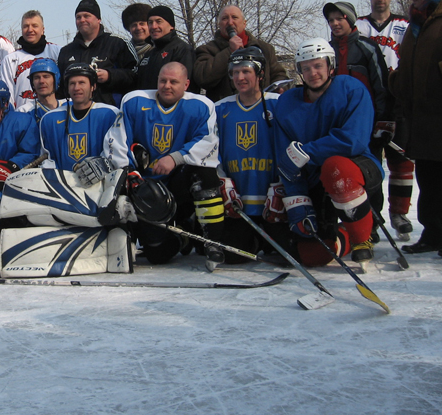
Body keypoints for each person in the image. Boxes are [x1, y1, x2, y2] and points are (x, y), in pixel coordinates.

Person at [274, 38, 382, 266]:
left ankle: (362, 237)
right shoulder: (286, 102)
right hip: (314, 179)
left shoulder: (351, 89)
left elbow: (354, 140)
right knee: (312, 255)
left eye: (318, 65)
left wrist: (308, 152)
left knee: (336, 167)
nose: (313, 73)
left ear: (330, 65)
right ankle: (345, 236)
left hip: (354, 170)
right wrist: (297, 200)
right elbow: (286, 159)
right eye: (306, 67)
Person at [121, 62, 223, 267]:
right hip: (146, 189)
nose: (167, 85)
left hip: (178, 183)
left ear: (186, 84)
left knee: (204, 172)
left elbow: (207, 142)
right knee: (157, 255)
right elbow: (119, 141)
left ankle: (214, 241)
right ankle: (182, 235)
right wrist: (132, 171)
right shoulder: (134, 101)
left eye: (173, 82)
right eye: (163, 80)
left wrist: (175, 158)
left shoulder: (201, 105)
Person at [323, 1, 391, 242]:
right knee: (337, 173)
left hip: (366, 124)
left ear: (350, 20)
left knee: (368, 173)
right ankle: (336, 222)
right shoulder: (326, 50)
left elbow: (381, 85)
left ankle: (371, 222)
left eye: (339, 18)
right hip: (335, 125)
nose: (335, 23)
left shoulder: (366, 47)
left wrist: (383, 120)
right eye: (331, 20)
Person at [214, 48, 286, 261]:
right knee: (233, 256)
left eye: (246, 71)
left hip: (274, 204)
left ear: (260, 73)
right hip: (238, 205)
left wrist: (285, 182)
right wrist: (221, 179)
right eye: (235, 72)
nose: (240, 77)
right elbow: (210, 150)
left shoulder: (278, 103)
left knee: (292, 254)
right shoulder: (220, 108)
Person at [389, 0, 442, 253]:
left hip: (439, 115)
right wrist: (396, 80)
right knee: (429, 181)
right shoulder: (415, 26)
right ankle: (432, 234)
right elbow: (408, 66)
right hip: (421, 120)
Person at [357, 0, 414, 240]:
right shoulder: (357, 26)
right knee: (370, 164)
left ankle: (399, 213)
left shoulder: (407, 26)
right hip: (367, 105)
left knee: (402, 160)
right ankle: (373, 216)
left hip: (399, 102)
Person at [39, 62, 129, 173]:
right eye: (72, 83)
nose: (76, 88)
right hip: (62, 186)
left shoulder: (110, 114)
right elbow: (48, 157)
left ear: (93, 86)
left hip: (102, 185)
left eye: (82, 83)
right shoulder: (50, 119)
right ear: (67, 88)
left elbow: (117, 154)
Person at [194, 5, 288, 102]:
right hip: (225, 112)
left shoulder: (265, 49)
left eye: (234, 17)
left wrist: (280, 87)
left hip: (261, 109)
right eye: (225, 18)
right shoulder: (207, 50)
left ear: (244, 23)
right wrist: (229, 51)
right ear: (219, 24)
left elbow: (278, 74)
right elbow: (203, 79)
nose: (230, 22)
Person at [57, 0, 138, 107]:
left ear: (98, 19)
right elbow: (60, 86)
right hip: (75, 114)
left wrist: (110, 76)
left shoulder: (118, 43)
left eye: (87, 16)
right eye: (78, 17)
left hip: (110, 111)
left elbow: (135, 75)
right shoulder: (66, 51)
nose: (82, 20)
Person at [0, 10, 60, 108]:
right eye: (26, 26)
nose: (30, 30)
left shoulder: (57, 52)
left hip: (54, 114)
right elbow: (8, 95)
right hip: (24, 115)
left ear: (43, 29)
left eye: (34, 26)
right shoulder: (10, 59)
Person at [136, 5, 195, 89]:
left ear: (171, 26)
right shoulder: (149, 54)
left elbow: (187, 87)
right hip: (149, 101)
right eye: (150, 22)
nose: (154, 26)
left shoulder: (182, 50)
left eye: (158, 21)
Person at [16, 58, 66, 124]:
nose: (41, 81)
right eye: (36, 78)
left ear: (56, 79)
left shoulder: (70, 106)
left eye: (46, 76)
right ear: (32, 82)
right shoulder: (23, 112)